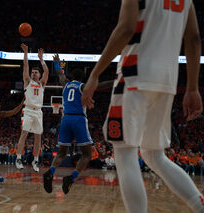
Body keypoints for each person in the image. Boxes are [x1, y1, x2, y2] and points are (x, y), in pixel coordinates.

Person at [82, 0, 204, 212]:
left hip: (134, 75)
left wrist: (95, 74)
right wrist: (192, 88)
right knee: (154, 155)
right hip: (166, 82)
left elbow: (126, 28)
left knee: (125, 151)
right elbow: (193, 38)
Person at [43, 54, 113, 194]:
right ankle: (71, 178)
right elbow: (99, 86)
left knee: (61, 153)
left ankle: (50, 171)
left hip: (65, 119)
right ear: (82, 78)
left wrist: (56, 63)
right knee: (87, 155)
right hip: (79, 119)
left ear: (72, 77)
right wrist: (115, 81)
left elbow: (59, 73)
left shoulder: (66, 83)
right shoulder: (83, 86)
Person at [15, 43, 49, 172]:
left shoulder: (42, 84)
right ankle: (18, 158)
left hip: (38, 112)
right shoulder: (27, 82)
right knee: (24, 134)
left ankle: (35, 161)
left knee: (38, 137)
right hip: (28, 110)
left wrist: (41, 59)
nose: (33, 74)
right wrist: (26, 53)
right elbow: (25, 66)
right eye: (32, 72)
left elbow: (47, 71)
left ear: (39, 75)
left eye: (36, 72)